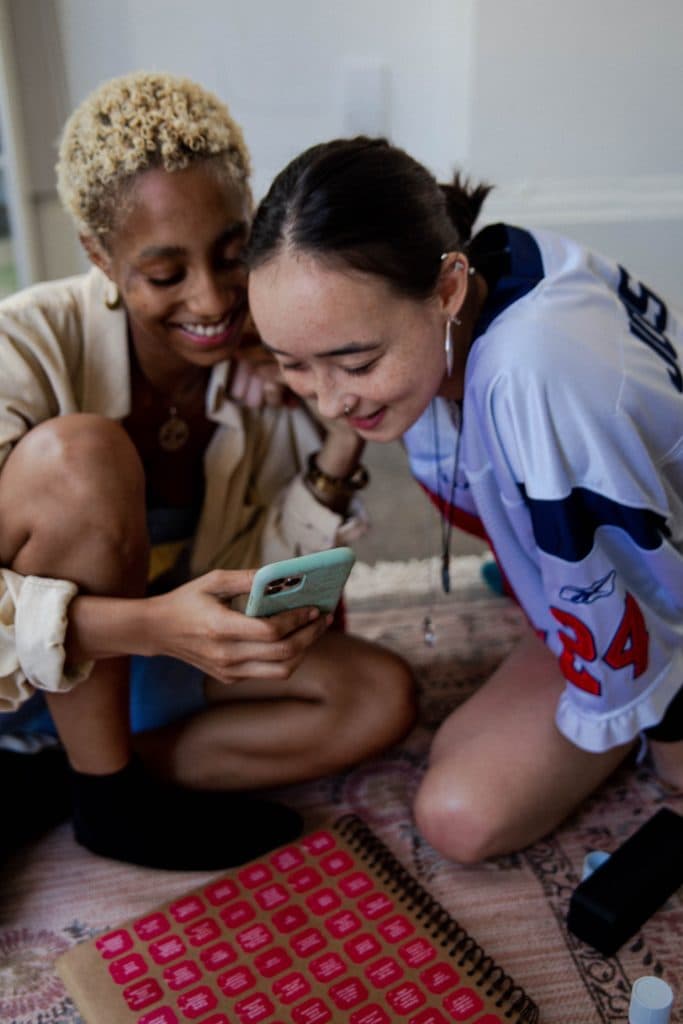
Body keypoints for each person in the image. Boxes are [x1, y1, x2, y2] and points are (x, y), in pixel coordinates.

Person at [0, 82, 416, 871]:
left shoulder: (272, 351)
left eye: (232, 254)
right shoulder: (20, 346)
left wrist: (331, 440)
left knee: (377, 698)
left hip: (135, 679)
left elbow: (251, 572)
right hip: (11, 678)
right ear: (98, 254)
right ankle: (108, 798)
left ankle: (64, 782)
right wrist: (152, 626)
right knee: (79, 458)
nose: (214, 299)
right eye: (165, 273)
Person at [246, 135, 683, 864]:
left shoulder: (534, 378)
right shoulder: (490, 263)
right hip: (595, 574)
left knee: (458, 816)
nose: (327, 398)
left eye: (354, 361)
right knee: (455, 749)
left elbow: (626, 583)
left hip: (658, 611)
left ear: (447, 288)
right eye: (293, 364)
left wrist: (669, 750)